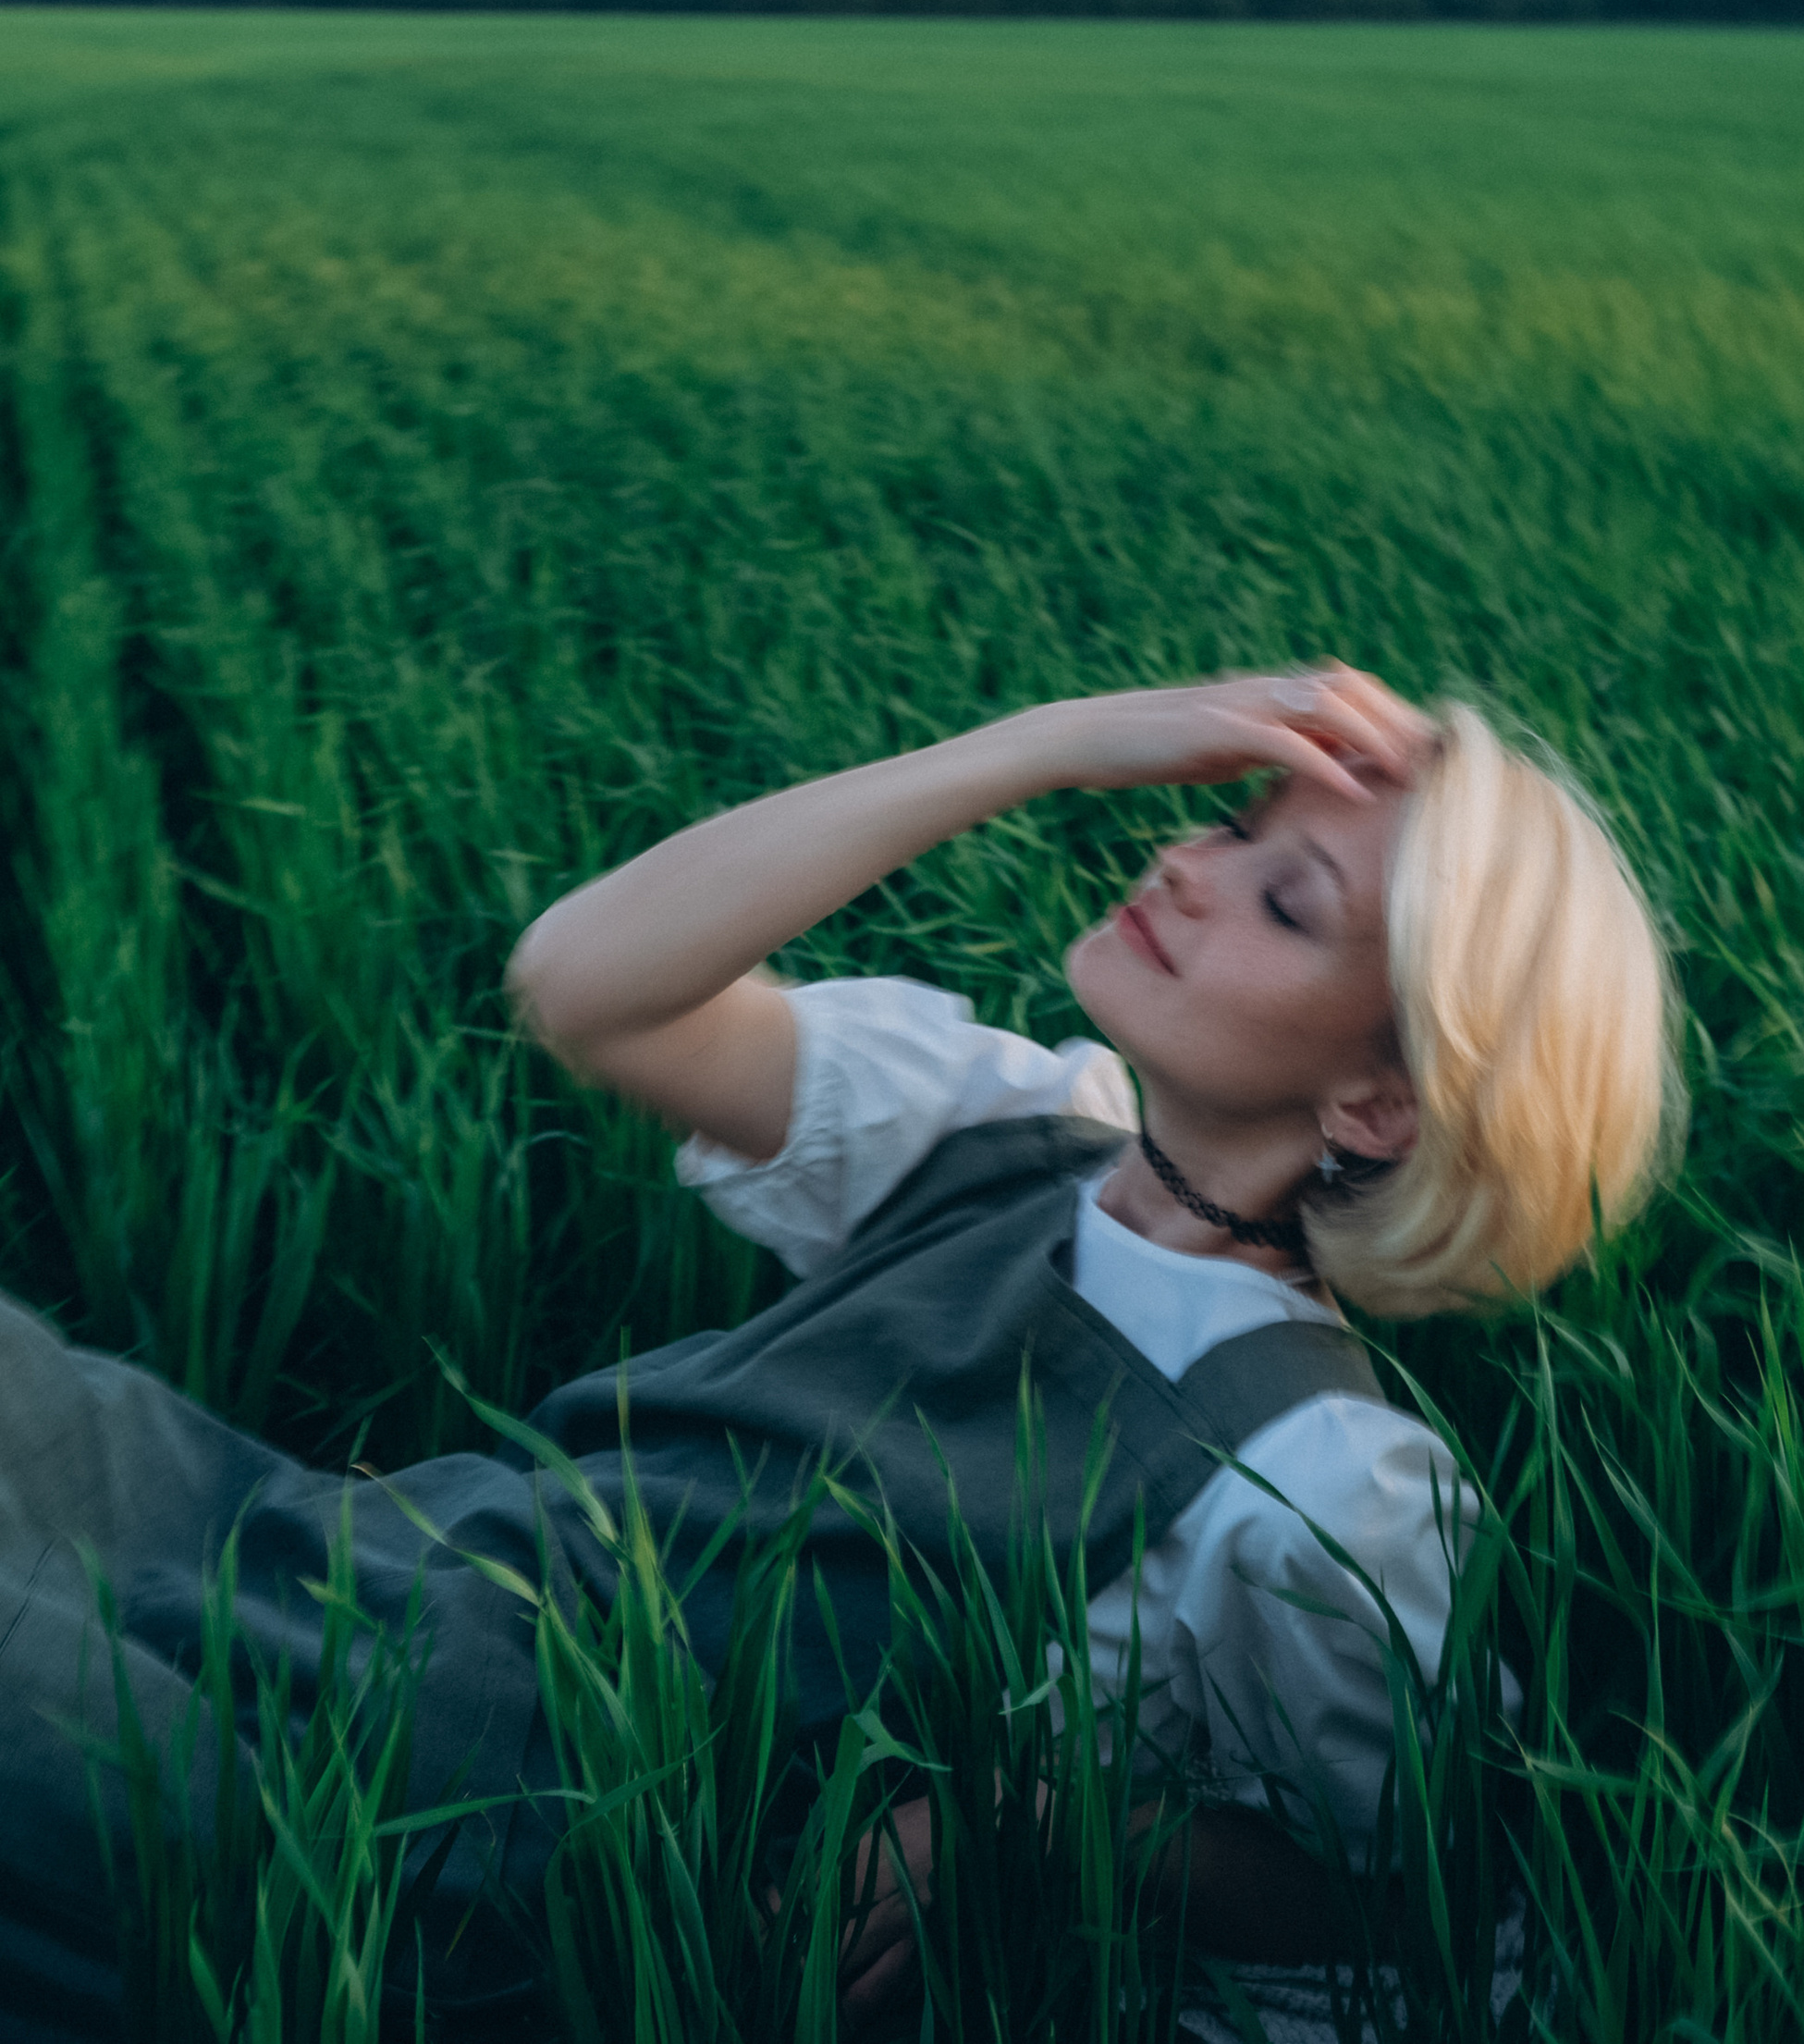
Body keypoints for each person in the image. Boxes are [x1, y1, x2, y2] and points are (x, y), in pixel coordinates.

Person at [0, 665, 1680, 2036]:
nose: (1188, 863)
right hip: (322, 1560)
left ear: (1378, 1101)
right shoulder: (1004, 1125)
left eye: (1285, 900)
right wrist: (1044, 744)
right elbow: (588, 985)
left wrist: (1044, 1830)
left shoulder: (1323, 1476)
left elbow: (1418, 1903)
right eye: (1233, 823)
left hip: (406, 1846)